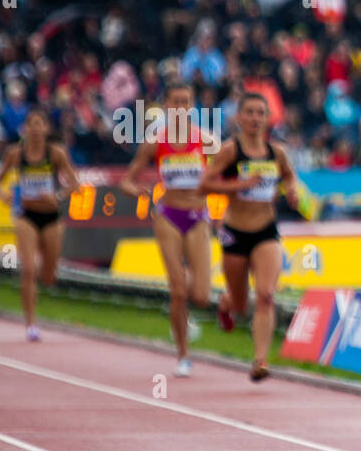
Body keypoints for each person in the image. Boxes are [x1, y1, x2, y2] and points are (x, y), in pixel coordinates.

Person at [200, 91, 300, 382]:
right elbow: (205, 184)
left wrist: (291, 190)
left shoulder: (276, 153)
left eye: (261, 113)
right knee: (242, 304)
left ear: (268, 118)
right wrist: (240, 184)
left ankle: (260, 361)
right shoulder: (230, 151)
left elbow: (289, 176)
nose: (256, 118)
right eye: (250, 113)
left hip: (266, 230)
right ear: (239, 117)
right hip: (235, 231)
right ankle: (227, 302)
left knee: (266, 295)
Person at [121, 83, 217, 377]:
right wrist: (137, 190)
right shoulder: (155, 142)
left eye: (185, 102)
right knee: (177, 291)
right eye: (174, 102)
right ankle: (183, 355)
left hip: (198, 216)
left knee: (200, 294)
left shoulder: (206, 140)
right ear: (165, 107)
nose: (180, 107)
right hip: (168, 215)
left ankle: (184, 310)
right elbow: (127, 179)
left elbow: (226, 173)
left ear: (192, 106)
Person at [0, 108, 80, 341]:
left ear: (47, 129)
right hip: (26, 216)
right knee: (28, 270)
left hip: (51, 218)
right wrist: (4, 194)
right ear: (26, 129)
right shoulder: (15, 154)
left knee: (48, 276)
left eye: (41, 124)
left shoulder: (56, 154)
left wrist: (58, 197)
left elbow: (75, 184)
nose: (37, 129)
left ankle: (44, 273)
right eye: (33, 124)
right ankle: (30, 324)